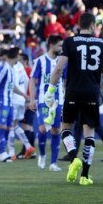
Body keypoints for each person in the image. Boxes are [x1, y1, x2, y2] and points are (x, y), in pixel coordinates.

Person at [44, 13, 103, 185]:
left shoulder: (70, 42)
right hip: (92, 93)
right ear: (93, 25)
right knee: (89, 132)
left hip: (72, 91)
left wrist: (50, 90)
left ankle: (73, 158)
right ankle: (85, 176)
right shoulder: (102, 43)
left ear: (79, 25)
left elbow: (59, 69)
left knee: (66, 127)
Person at [29, 35, 65, 171]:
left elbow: (65, 82)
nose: (61, 48)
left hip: (59, 100)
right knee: (43, 128)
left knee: (56, 129)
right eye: (59, 45)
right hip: (44, 99)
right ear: (51, 45)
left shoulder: (62, 62)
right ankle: (42, 154)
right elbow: (32, 80)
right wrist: (32, 99)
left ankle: (53, 163)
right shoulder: (40, 61)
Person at [0, 47, 28, 162]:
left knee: (7, 128)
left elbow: (12, 87)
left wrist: (23, 95)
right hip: (2, 102)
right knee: (1, 126)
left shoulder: (11, 69)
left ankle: (2, 152)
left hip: (10, 103)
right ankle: (2, 152)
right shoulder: (4, 68)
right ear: (16, 56)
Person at [8, 48, 35, 160]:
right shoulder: (20, 67)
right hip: (20, 100)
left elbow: (12, 85)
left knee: (10, 126)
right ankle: (28, 147)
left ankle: (11, 153)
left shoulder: (12, 67)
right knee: (15, 125)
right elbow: (27, 81)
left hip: (13, 99)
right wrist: (24, 96)